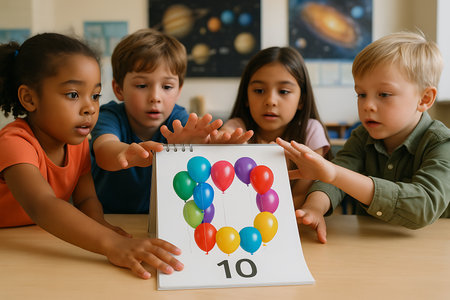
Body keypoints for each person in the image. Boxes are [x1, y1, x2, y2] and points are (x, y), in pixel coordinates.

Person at [0, 33, 183, 279]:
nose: (90, 107)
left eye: (95, 95)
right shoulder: (14, 143)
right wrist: (112, 244)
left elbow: (85, 197)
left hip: (32, 239)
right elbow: (42, 206)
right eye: (73, 94)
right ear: (29, 98)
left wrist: (99, 224)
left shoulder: (77, 144)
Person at [277, 31, 450, 244]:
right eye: (361, 94)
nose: (367, 105)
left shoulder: (441, 143)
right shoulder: (362, 136)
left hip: (431, 249)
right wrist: (314, 208)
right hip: (369, 244)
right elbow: (333, 182)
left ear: (424, 98)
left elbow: (423, 205)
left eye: (384, 95)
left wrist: (334, 174)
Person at [90, 28, 252, 214]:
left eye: (167, 86)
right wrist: (127, 152)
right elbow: (104, 150)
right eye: (142, 85)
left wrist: (208, 146)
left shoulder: (179, 120)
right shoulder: (110, 115)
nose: (155, 97)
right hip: (109, 219)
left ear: (179, 90)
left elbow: (199, 147)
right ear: (119, 89)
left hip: (159, 221)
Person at [220, 46, 331, 209]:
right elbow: (227, 135)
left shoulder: (311, 131)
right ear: (246, 97)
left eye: (284, 91)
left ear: (301, 100)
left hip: (293, 222)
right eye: (259, 90)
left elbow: (300, 195)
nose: (270, 100)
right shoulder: (238, 127)